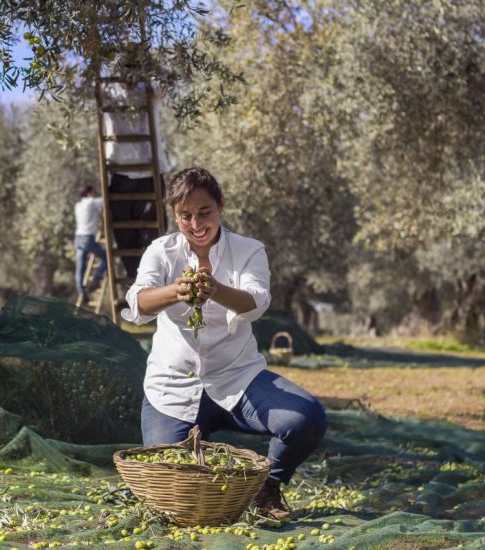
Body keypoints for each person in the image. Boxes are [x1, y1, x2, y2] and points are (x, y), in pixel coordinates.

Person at [121, 167, 327, 520]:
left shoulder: (248, 250)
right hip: (172, 387)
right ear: (175, 215)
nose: (196, 223)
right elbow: (138, 303)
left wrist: (215, 289)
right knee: (170, 481)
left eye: (204, 212)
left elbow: (256, 302)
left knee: (305, 418)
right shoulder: (161, 251)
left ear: (221, 206)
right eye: (185, 215)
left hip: (238, 378)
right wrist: (177, 290)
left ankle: (268, 487)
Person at [101, 62, 170, 278]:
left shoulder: (149, 88)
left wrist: (151, 62)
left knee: (154, 237)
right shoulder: (107, 90)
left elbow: (167, 84)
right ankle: (137, 286)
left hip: (150, 172)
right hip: (120, 174)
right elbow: (81, 91)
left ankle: (152, 282)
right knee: (125, 238)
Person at [74, 185, 107, 304]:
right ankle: (96, 279)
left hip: (78, 238)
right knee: (107, 258)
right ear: (89, 193)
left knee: (80, 267)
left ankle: (82, 292)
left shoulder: (78, 205)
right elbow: (105, 199)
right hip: (87, 237)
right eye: (93, 192)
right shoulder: (91, 202)